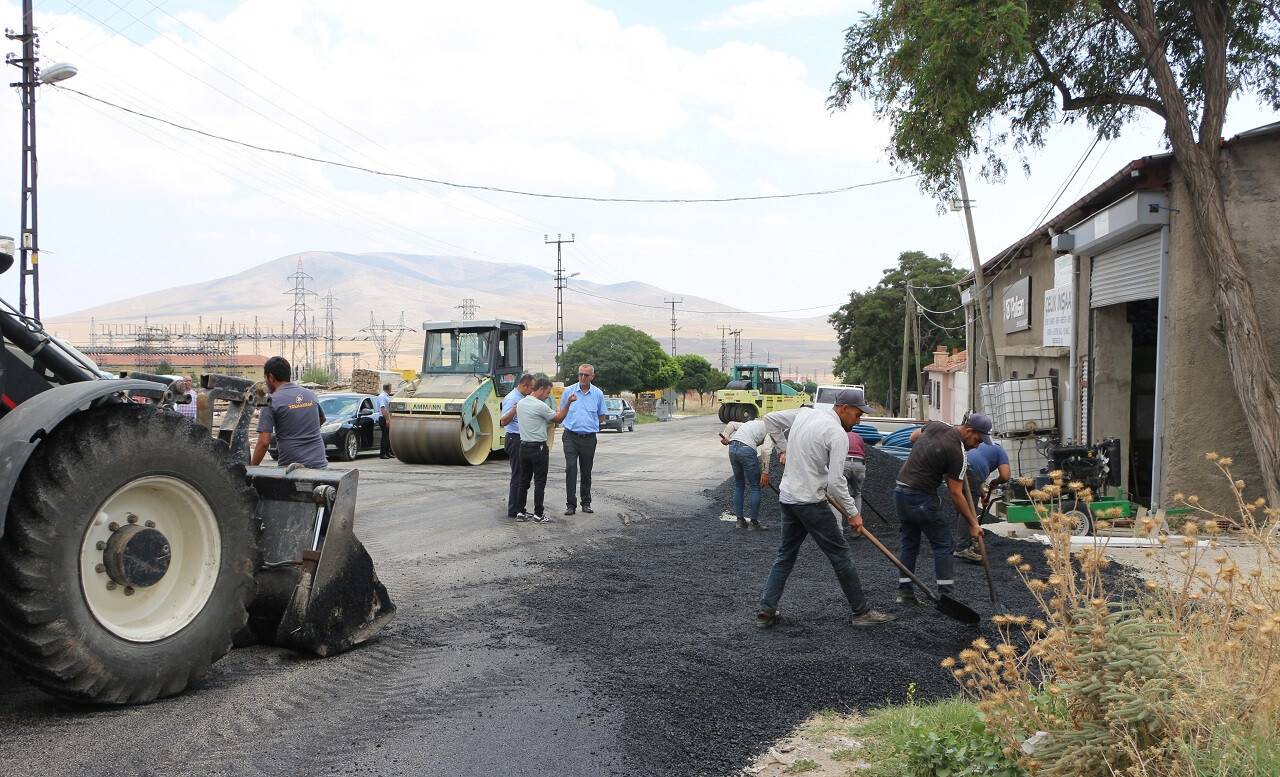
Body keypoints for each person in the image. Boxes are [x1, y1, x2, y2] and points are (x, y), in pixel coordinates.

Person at [755, 388, 895, 629]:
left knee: (785, 555)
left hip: (789, 499)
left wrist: (784, 448)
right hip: (811, 502)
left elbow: (769, 420)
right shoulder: (837, 434)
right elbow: (835, 482)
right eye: (857, 414)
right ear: (843, 409)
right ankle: (861, 612)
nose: (859, 419)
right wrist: (853, 514)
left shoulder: (805, 414)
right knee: (840, 556)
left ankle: (766, 611)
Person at [891, 413, 993, 605]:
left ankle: (904, 592)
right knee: (944, 544)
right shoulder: (958, 453)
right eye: (978, 440)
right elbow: (956, 493)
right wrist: (973, 523)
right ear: (969, 431)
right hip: (921, 497)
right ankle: (946, 595)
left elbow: (913, 438)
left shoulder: (937, 425)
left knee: (909, 543)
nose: (977, 445)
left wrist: (932, 456)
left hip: (900, 492)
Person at [514, 378, 576, 523]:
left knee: (524, 481)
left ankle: (520, 512)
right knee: (540, 482)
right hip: (538, 448)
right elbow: (559, 418)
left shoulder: (521, 404)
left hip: (523, 446)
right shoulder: (540, 406)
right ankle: (538, 514)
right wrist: (568, 403)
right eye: (547, 392)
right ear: (541, 389)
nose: (548, 395)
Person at [251, 356, 328, 469]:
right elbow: (322, 419)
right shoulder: (310, 394)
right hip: (320, 464)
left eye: (265, 378)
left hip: (292, 469)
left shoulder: (271, 401)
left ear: (271, 377)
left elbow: (263, 442)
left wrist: (251, 469)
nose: (265, 382)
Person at [559, 363, 607, 515]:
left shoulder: (598, 393)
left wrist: (590, 424)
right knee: (571, 468)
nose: (583, 377)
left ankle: (586, 503)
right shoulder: (569, 391)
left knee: (586, 471)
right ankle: (570, 505)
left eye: (586, 375)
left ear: (592, 376)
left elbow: (602, 416)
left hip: (589, 438)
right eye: (580, 374)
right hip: (570, 437)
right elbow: (562, 412)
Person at [953, 437, 1011, 562]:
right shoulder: (1000, 451)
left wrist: (983, 495)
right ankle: (962, 547)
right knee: (968, 510)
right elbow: (1005, 475)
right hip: (972, 470)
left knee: (962, 506)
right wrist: (997, 481)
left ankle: (964, 541)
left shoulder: (979, 446)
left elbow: (974, 475)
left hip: (957, 466)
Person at [718, 418, 775, 530]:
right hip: (746, 450)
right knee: (755, 487)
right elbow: (766, 451)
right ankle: (753, 523)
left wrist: (726, 436)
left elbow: (731, 424)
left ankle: (740, 522)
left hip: (733, 448)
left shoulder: (752, 423)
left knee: (739, 485)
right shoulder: (772, 429)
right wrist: (765, 472)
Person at [499, 374, 536, 518]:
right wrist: (514, 410)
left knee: (523, 476)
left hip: (521, 439)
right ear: (525, 385)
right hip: (515, 439)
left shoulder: (522, 397)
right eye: (531, 388)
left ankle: (520, 508)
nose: (532, 391)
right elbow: (503, 421)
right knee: (518, 476)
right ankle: (514, 509)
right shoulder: (512, 398)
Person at [841, 427, 868, 539]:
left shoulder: (839, 434)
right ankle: (856, 530)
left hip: (844, 463)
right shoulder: (858, 437)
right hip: (859, 465)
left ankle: (838, 530)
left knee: (839, 495)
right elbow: (864, 455)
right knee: (857, 494)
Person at [374, 383, 394, 459]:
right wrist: (387, 419)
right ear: (388, 388)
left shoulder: (386, 396)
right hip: (384, 418)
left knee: (388, 436)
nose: (391, 389)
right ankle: (382, 454)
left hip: (387, 418)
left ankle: (387, 452)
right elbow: (383, 409)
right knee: (385, 436)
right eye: (390, 388)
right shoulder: (382, 397)